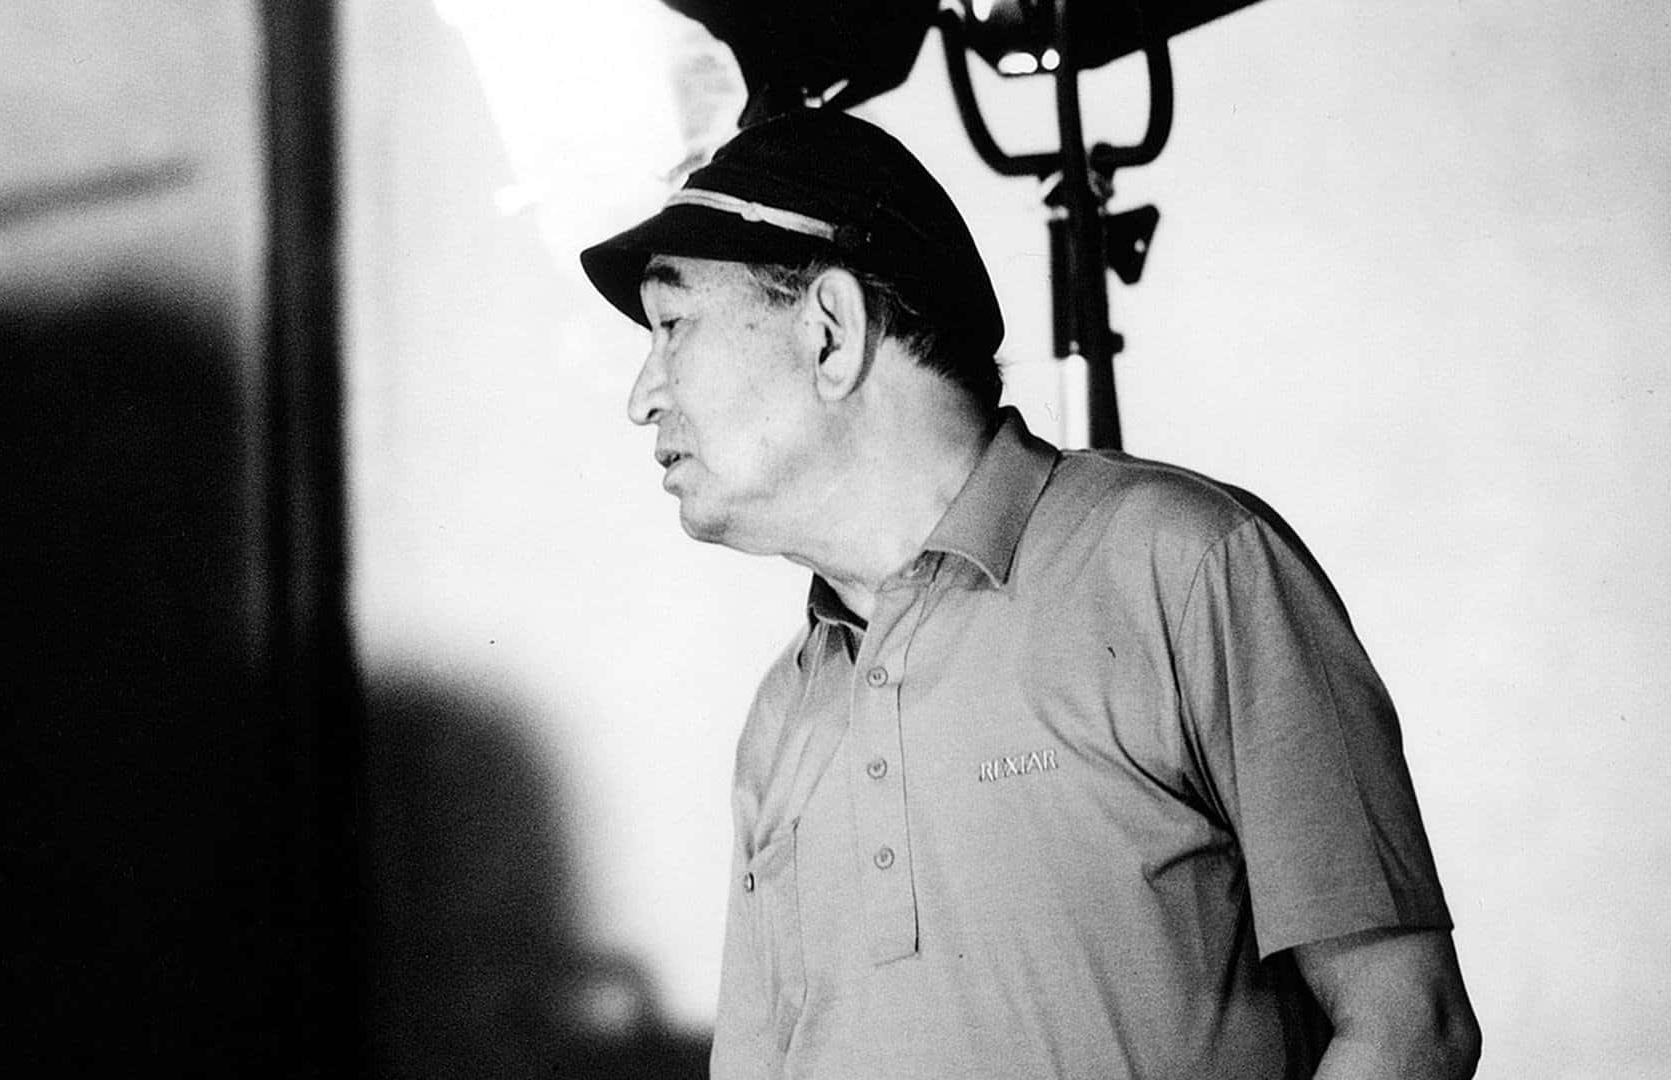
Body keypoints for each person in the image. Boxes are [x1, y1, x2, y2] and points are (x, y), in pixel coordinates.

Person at [579, 109, 1480, 1080]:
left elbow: (1409, 1026)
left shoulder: (1188, 569)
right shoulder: (779, 715)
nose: (642, 396)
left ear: (832, 332)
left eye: (672, 326)